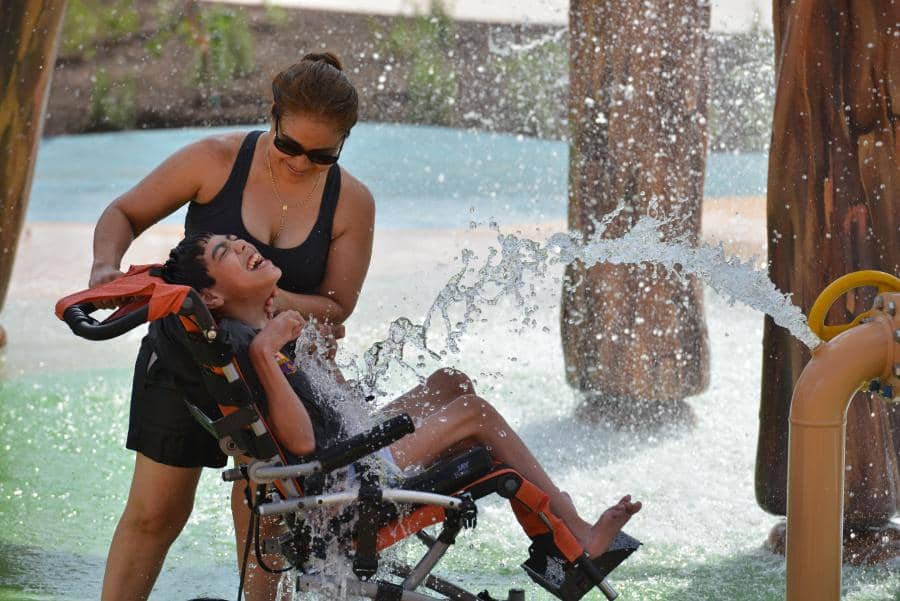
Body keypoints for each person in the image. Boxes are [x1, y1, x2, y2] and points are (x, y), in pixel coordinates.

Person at [89, 53, 470, 600]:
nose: (298, 162)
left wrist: (269, 295)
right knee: (155, 514)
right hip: (183, 363)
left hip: (274, 374)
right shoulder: (216, 160)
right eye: (288, 146)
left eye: (321, 155)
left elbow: (337, 306)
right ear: (273, 116)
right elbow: (122, 214)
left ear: (345, 142)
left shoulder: (352, 201)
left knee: (268, 516)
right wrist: (106, 267)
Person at [159, 232, 643, 563]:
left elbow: (327, 408)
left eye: (235, 239)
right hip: (344, 478)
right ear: (214, 299)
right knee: (474, 414)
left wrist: (315, 362)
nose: (242, 244)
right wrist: (269, 351)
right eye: (225, 252)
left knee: (449, 382)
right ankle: (577, 533)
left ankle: (551, 508)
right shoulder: (250, 346)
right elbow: (303, 444)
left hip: (348, 449)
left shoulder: (248, 331)